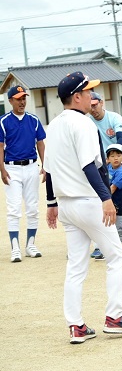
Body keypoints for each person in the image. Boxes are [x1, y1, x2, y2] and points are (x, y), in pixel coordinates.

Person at [44, 71, 122, 344]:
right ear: (76, 97)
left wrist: (51, 203)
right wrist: (106, 198)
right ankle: (114, 317)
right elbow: (90, 165)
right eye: (87, 91)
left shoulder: (53, 126)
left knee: (76, 265)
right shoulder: (83, 123)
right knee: (116, 257)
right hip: (88, 202)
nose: (91, 96)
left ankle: (76, 325)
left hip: (66, 205)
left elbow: (50, 170)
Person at [88, 92, 122, 259]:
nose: (93, 108)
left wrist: (116, 158)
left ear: (102, 103)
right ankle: (100, 244)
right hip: (101, 162)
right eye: (90, 105)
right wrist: (104, 162)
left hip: (119, 158)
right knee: (100, 200)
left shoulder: (113, 117)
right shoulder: (87, 121)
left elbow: (121, 138)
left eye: (95, 104)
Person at [0, 85, 45, 262]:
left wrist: (45, 165)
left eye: (24, 98)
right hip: (11, 169)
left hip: (32, 166)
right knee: (14, 209)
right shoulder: (3, 122)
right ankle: (15, 248)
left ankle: (30, 245)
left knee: (33, 207)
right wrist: (2, 169)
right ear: (10, 101)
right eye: (18, 99)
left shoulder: (33, 120)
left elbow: (40, 143)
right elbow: (0, 147)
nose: (22, 101)